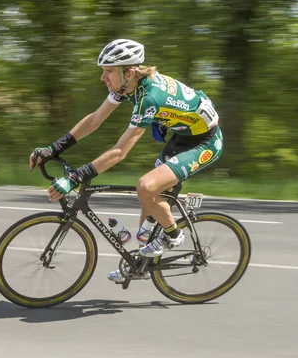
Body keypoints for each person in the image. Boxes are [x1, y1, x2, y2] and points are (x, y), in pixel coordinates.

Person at [29, 39, 224, 283]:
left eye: (108, 71)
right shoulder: (127, 86)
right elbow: (95, 119)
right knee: (147, 214)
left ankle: (174, 236)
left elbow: (120, 152)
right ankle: (140, 265)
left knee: (146, 187)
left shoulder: (149, 98)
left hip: (205, 142)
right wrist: (53, 148)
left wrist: (75, 177)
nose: (103, 77)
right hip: (183, 137)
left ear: (129, 72)